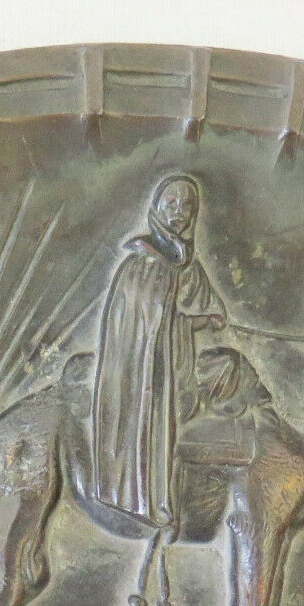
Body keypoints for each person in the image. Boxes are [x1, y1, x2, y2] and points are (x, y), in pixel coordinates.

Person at [89, 175, 225, 526]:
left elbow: (206, 307)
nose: (179, 211)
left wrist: (209, 318)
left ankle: (162, 497)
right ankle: (133, 497)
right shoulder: (140, 265)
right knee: (143, 420)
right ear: (157, 209)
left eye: (187, 205)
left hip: (170, 367)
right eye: (172, 203)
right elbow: (141, 325)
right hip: (140, 368)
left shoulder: (188, 265)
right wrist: (187, 322)